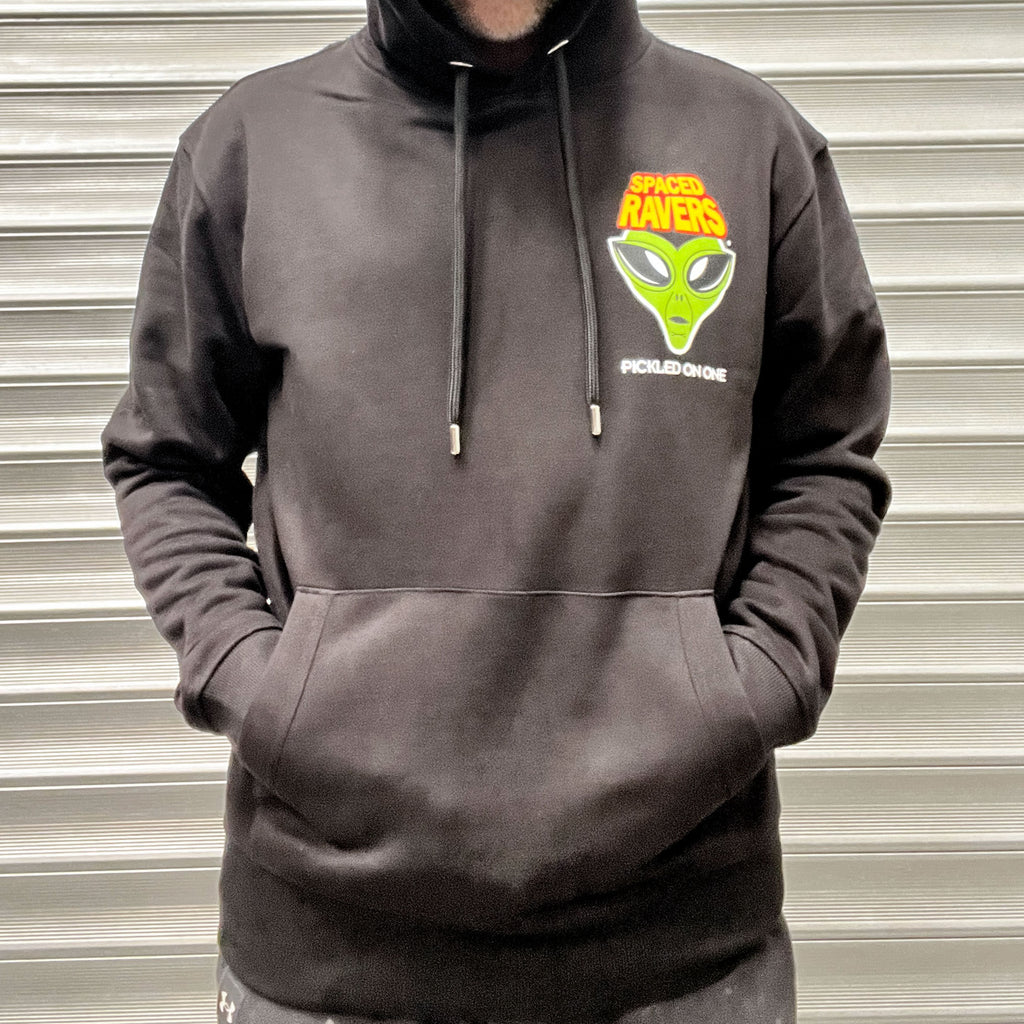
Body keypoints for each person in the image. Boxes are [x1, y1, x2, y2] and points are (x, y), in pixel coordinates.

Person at [101, 0, 891, 1020]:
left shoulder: (749, 144)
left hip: (679, 950)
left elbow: (824, 452)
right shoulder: (252, 148)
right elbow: (167, 460)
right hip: (328, 949)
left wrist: (756, 681)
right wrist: (267, 693)